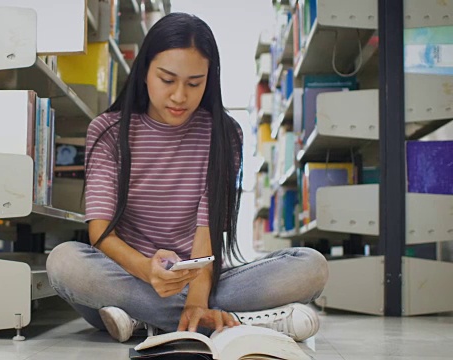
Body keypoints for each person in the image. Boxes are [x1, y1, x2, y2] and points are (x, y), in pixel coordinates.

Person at [46, 12, 328, 343]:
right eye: (167, 80)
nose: (180, 96)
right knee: (65, 262)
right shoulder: (107, 131)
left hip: (200, 282)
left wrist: (196, 298)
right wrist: (146, 271)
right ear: (144, 72)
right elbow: (100, 232)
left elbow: (206, 233)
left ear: (210, 80)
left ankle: (146, 320)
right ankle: (236, 321)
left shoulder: (225, 134)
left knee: (311, 266)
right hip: (129, 277)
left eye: (194, 83)